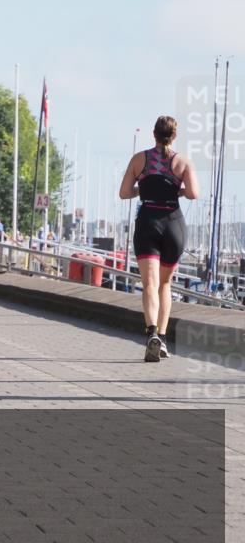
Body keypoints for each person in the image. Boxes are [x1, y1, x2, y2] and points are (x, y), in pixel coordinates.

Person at [119, 116, 199, 362]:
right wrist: (176, 189)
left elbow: (124, 193)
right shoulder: (183, 161)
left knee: (150, 284)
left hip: (148, 222)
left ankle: (151, 332)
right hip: (173, 223)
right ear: (174, 136)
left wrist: (143, 189)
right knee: (165, 285)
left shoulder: (138, 159)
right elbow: (194, 193)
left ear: (153, 134)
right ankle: (162, 339)